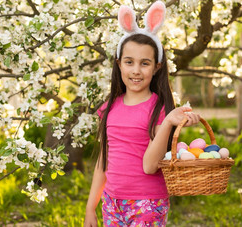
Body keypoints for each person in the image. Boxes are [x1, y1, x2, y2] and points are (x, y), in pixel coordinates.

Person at [84, 1, 200, 226]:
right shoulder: (109, 107)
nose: (136, 70)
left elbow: (149, 166)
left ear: (156, 67)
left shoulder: (159, 109)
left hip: (147, 202)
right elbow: (103, 160)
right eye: (129, 62)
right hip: (111, 201)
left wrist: (167, 123)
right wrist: (91, 206)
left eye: (144, 63)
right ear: (119, 64)